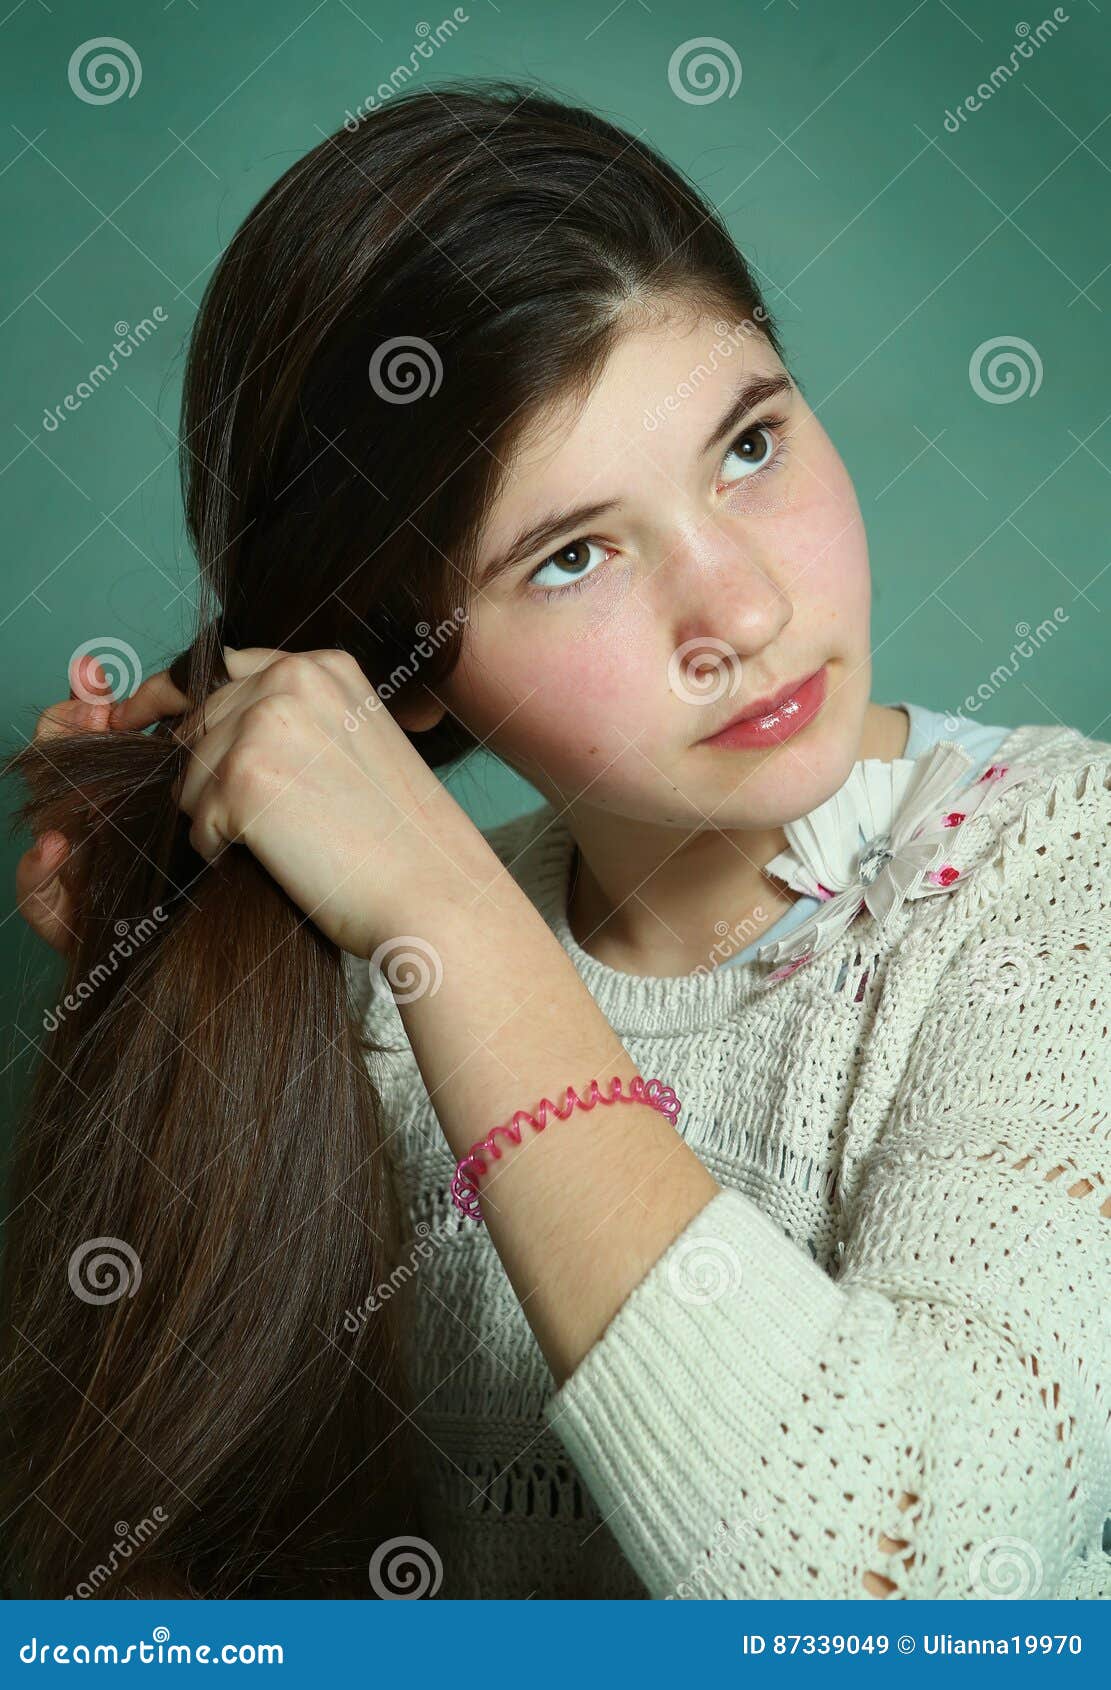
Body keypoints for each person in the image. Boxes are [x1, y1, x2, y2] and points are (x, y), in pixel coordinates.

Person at [4, 80, 1108, 1602]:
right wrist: (161, 947)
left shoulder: (1062, 870)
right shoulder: (365, 985)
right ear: (410, 661)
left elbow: (919, 1595)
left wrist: (442, 912)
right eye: (575, 554)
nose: (744, 613)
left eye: (749, 445)